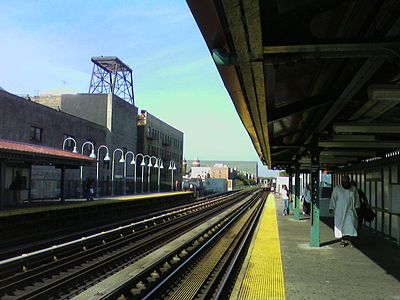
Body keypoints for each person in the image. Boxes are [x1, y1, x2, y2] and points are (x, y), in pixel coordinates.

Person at [329, 175, 360, 247]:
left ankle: (349, 239)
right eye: (344, 182)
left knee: (351, 225)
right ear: (342, 182)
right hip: (340, 211)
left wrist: (357, 206)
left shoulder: (353, 189)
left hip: (350, 210)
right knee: (341, 226)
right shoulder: (337, 189)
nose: (346, 183)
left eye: (347, 182)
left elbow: (357, 199)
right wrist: (331, 208)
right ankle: (343, 240)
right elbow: (333, 199)